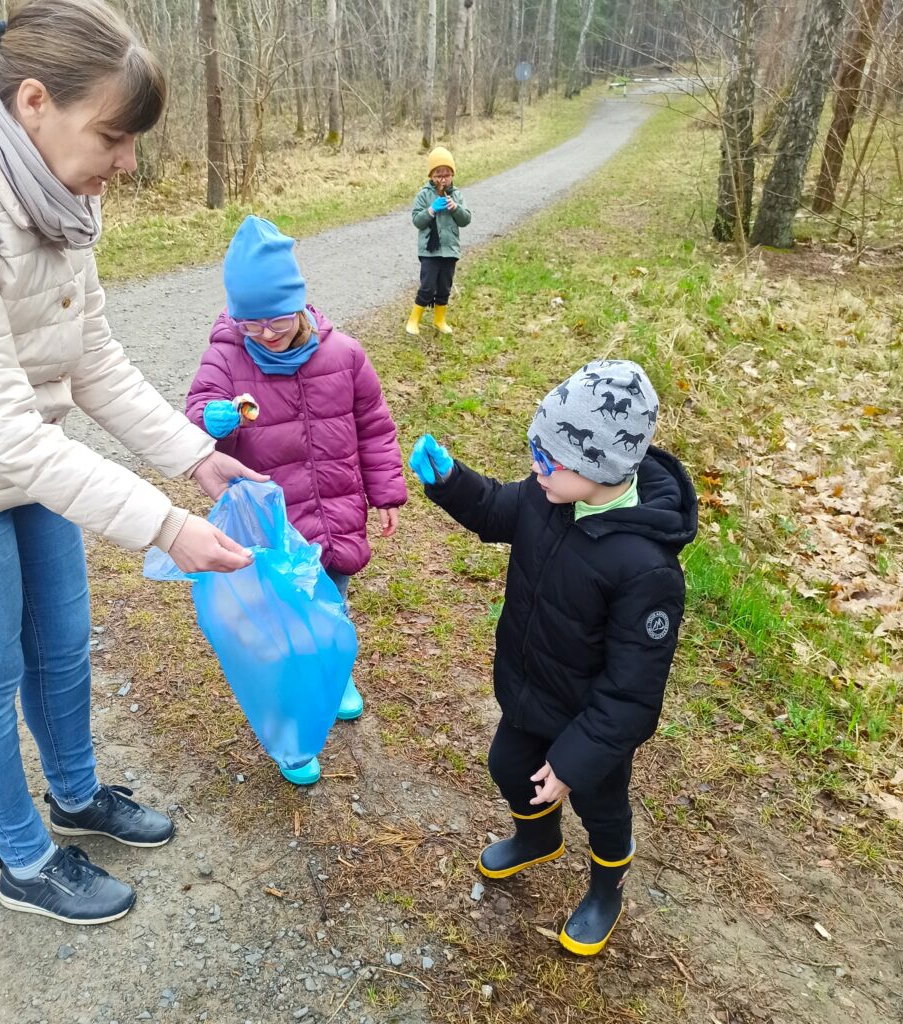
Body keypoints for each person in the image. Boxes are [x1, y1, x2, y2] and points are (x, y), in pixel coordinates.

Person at [0, 1, 269, 926]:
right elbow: (3, 432)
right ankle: (24, 860)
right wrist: (167, 526)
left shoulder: (59, 194)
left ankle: (76, 795)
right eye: (114, 136)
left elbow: (93, 359)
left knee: (60, 647)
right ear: (34, 102)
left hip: (23, 460)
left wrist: (198, 460)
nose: (128, 163)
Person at [408, 360, 697, 956]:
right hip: (531, 690)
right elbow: (494, 508)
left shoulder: (646, 569)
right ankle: (537, 839)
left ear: (597, 466)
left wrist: (572, 761)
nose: (536, 468)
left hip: (592, 729)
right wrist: (451, 481)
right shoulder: (549, 497)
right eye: (535, 453)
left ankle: (606, 887)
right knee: (510, 768)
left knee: (602, 808)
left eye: (548, 459)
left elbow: (631, 693)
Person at [185, 215, 407, 785]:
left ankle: (334, 677)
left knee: (331, 603)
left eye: (278, 321)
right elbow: (195, 420)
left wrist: (384, 491)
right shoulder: (226, 358)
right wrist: (211, 421)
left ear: (301, 305)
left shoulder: (346, 356)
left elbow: (375, 426)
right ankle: (291, 724)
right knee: (280, 626)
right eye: (250, 324)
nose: (266, 334)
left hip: (334, 513)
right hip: (274, 526)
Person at [405, 146, 472, 338]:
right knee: (427, 286)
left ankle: (439, 319)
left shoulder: (457, 195)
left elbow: (466, 219)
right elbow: (417, 220)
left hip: (450, 250)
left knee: (444, 286)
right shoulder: (424, 195)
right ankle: (414, 320)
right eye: (438, 175)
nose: (443, 179)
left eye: (447, 175)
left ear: (452, 175)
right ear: (432, 176)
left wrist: (455, 208)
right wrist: (431, 210)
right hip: (429, 251)